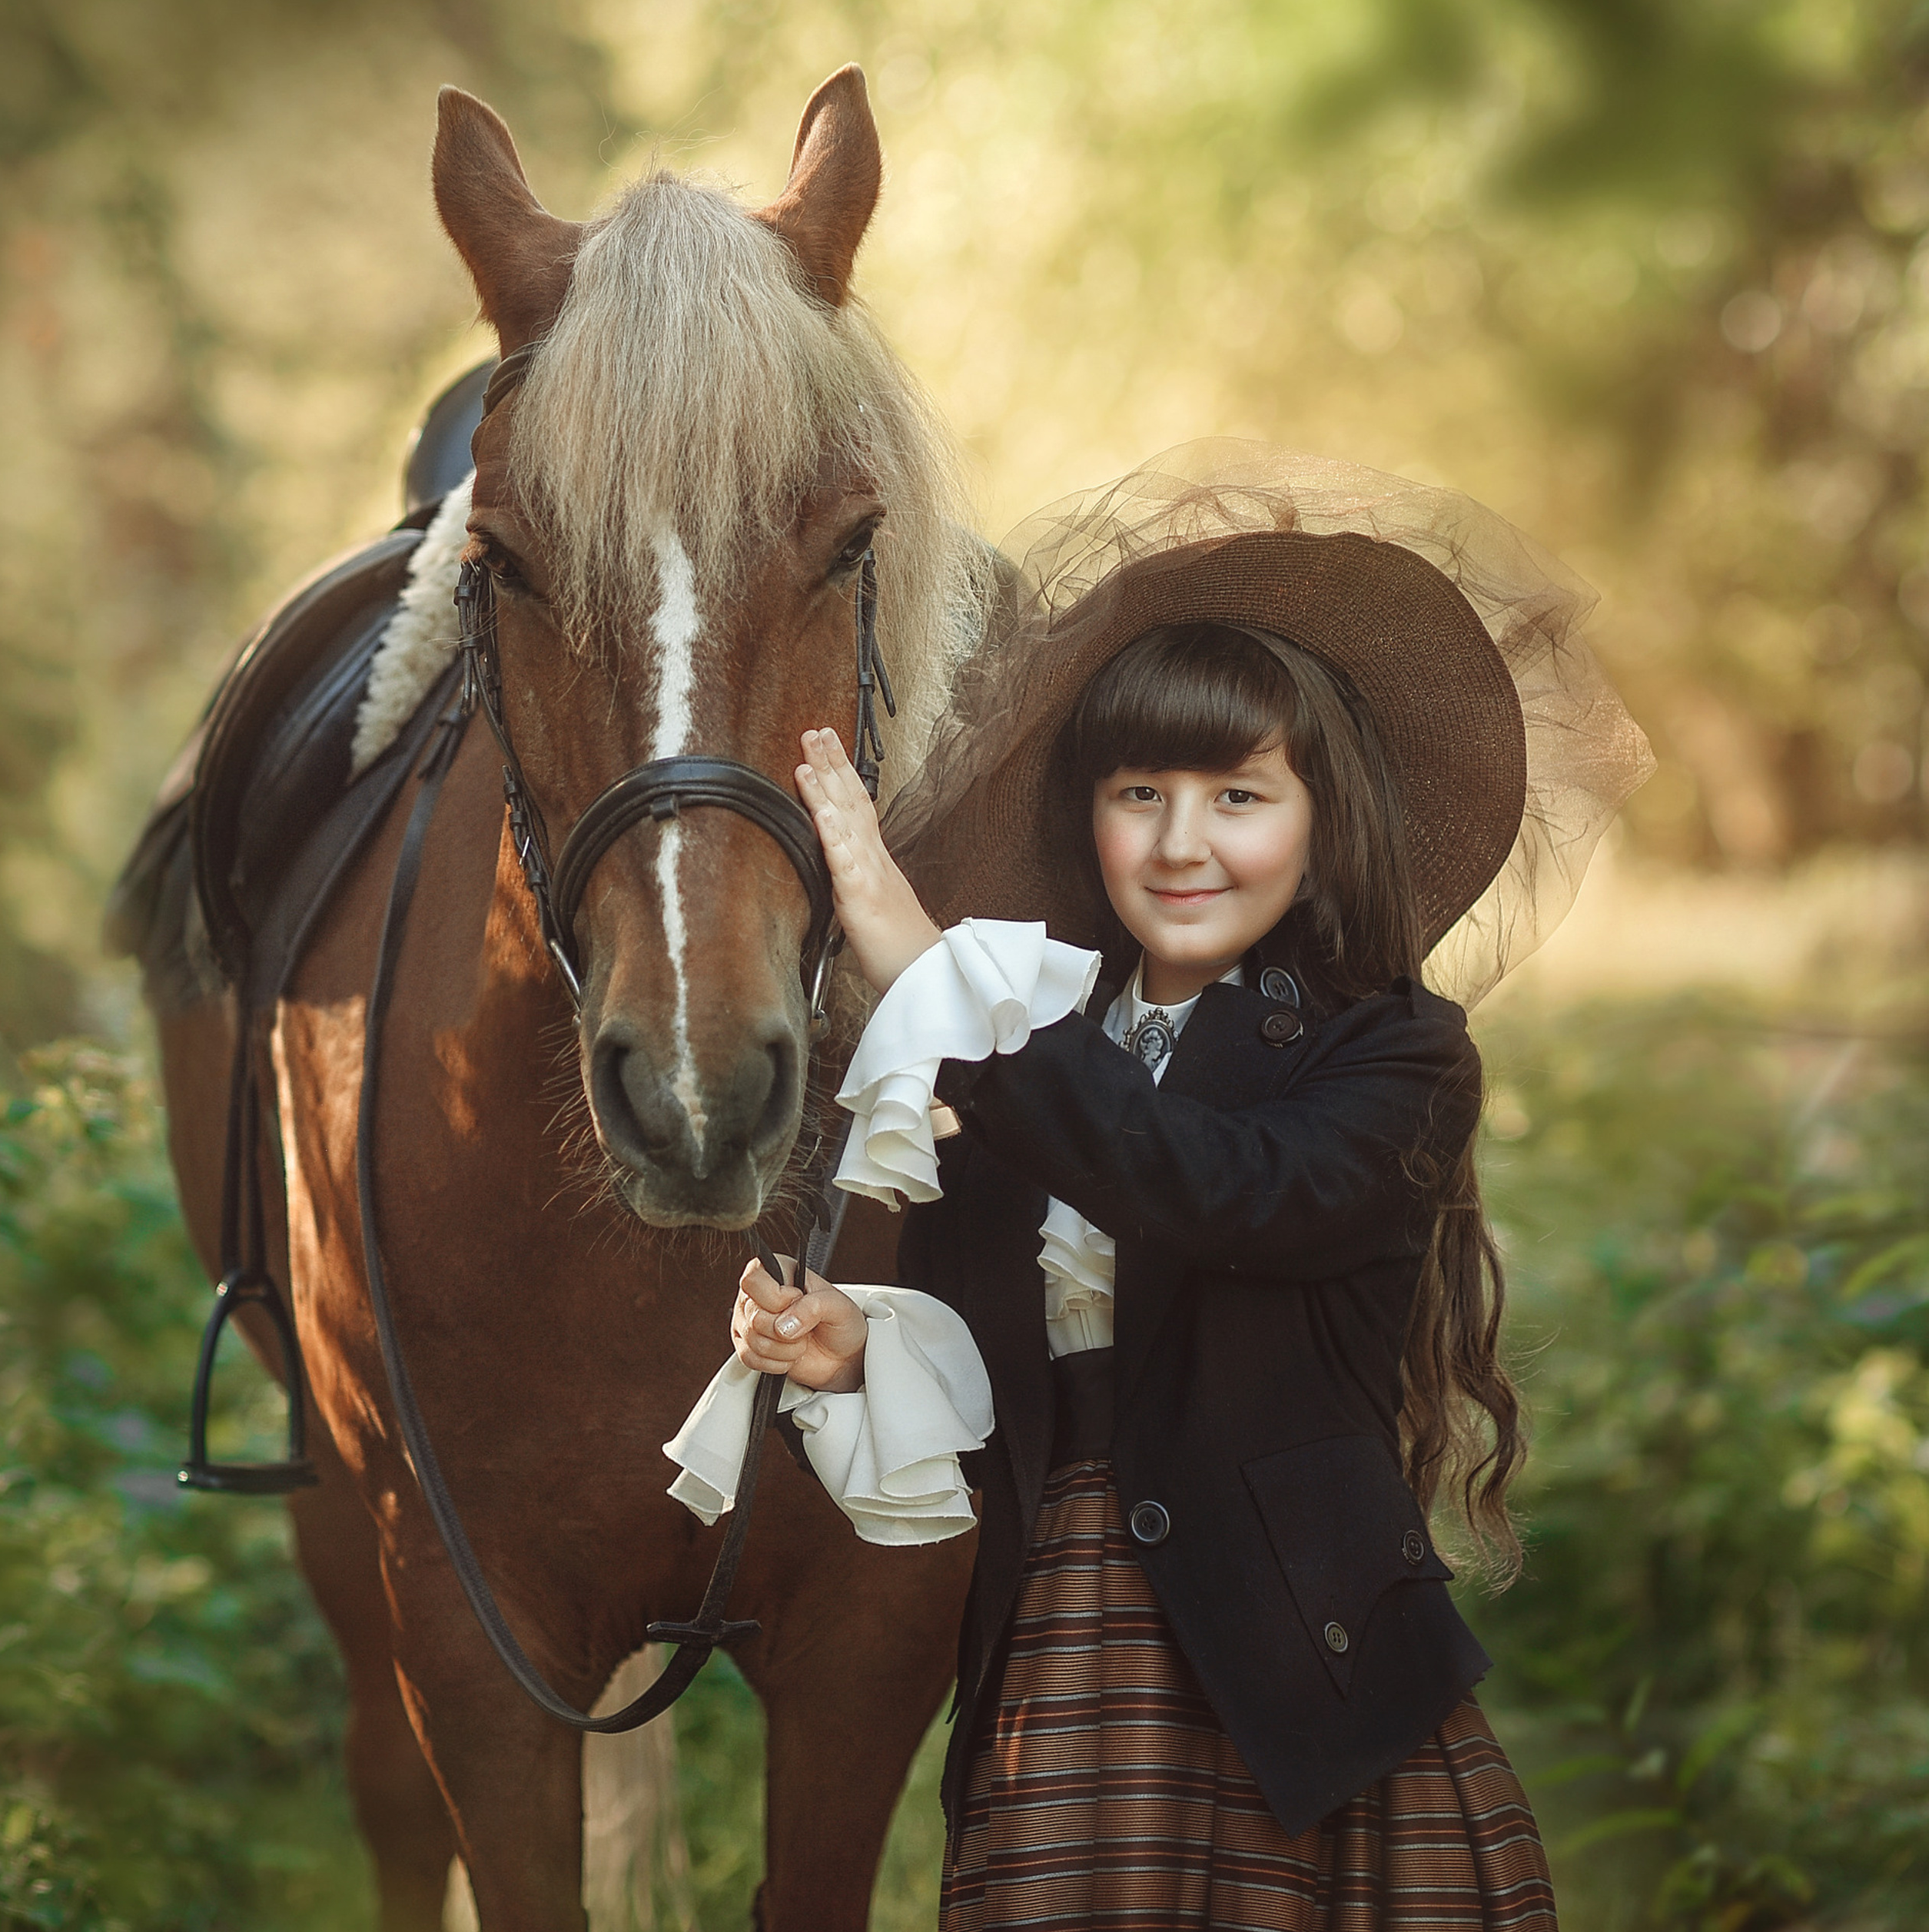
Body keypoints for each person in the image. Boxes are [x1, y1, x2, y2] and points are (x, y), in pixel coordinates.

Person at [664, 443, 1652, 1929]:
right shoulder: (1025, 1041)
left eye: (1239, 795)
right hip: (1068, 1637)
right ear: (1092, 818)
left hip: (1300, 1663)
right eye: (1142, 792)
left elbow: (1228, 1192)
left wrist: (929, 974)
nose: (1184, 843)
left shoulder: (1393, 1056)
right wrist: (861, 1347)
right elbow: (1014, 1368)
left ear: (1320, 823)